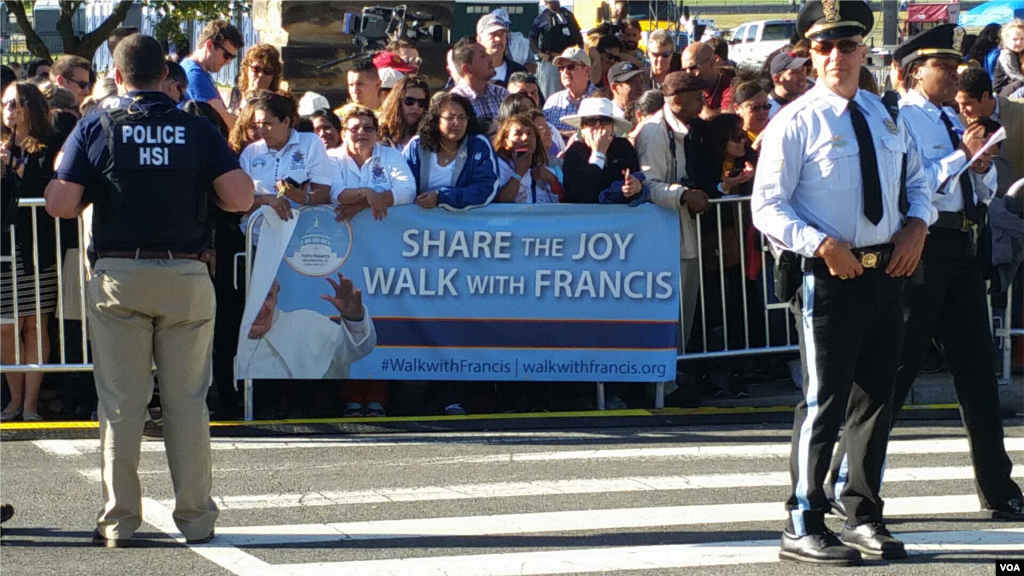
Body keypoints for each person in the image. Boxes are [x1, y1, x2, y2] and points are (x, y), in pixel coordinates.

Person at [44, 33, 254, 547]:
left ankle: (119, 521)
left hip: (120, 277)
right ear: (166, 75)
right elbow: (240, 197)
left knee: (121, 404)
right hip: (184, 276)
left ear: (117, 77)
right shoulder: (195, 127)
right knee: (187, 402)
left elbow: (60, 204)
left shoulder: (98, 124)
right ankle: (197, 520)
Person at [751, 0, 938, 564]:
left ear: (864, 50)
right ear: (810, 54)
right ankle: (802, 518)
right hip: (829, 276)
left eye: (847, 45)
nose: (836, 56)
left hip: (886, 271)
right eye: (824, 46)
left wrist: (918, 226)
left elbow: (919, 180)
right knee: (823, 400)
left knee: (876, 399)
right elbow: (767, 206)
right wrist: (820, 244)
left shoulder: (885, 113)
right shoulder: (795, 120)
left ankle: (861, 511)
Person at [831, 24, 1024, 525]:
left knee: (978, 371)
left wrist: (980, 166)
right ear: (918, 71)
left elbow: (972, 190)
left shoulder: (946, 117)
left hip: (960, 245)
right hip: (924, 249)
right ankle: (842, 477)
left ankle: (998, 488)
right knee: (894, 372)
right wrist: (963, 156)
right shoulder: (903, 118)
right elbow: (912, 183)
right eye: (944, 66)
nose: (954, 75)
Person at [635, 72, 710, 355]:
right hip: (666, 241)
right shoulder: (655, 131)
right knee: (672, 315)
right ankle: (665, 383)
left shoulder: (682, 129)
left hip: (681, 235)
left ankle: (674, 376)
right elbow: (648, 186)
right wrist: (684, 195)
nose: (703, 102)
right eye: (696, 97)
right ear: (676, 100)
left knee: (685, 314)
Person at [0, 82, 61, 423]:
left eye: (16, 104)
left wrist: (21, 168)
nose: (9, 110)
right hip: (4, 249)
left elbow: (48, 186)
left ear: (31, 108)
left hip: (36, 247)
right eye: (5, 103)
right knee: (6, 327)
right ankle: (13, 400)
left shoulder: (48, 145)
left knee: (35, 326)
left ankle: (30, 404)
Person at [237, 277, 377, 380]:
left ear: (277, 293)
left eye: (267, 296)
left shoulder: (306, 323)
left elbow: (355, 350)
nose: (259, 309)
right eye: (250, 299)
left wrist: (354, 318)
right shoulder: (219, 334)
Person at [239, 92, 333, 234]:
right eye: (258, 124)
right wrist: (267, 200)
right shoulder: (250, 152)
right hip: (256, 237)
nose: (262, 131)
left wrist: (303, 198)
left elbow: (324, 192)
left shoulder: (310, 143)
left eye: (267, 124)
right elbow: (239, 204)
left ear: (286, 122)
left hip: (300, 235)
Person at [403, 92, 499, 210]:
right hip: (418, 226)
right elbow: (402, 185)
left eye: (462, 118)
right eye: (450, 118)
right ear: (436, 120)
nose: (457, 123)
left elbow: (486, 189)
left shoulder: (479, 146)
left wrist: (442, 197)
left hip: (466, 226)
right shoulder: (417, 146)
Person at [560, 97, 641, 204]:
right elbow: (582, 195)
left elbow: (636, 187)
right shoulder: (574, 153)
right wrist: (598, 154)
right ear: (582, 129)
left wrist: (637, 187)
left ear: (612, 126)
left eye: (604, 120)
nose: (598, 126)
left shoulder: (623, 148)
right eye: (590, 121)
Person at [957, 67, 1024, 182]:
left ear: (985, 96)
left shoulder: (1020, 111)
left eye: (967, 104)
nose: (961, 109)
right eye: (958, 103)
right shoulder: (958, 122)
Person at [183, 20, 244, 130]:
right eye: (226, 55)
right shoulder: (194, 74)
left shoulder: (199, 72)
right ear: (209, 45)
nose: (228, 61)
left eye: (232, 57)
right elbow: (222, 116)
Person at [492, 113, 560, 204]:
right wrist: (518, 173)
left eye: (529, 133)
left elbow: (566, 206)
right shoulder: (498, 166)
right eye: (518, 134)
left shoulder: (545, 170)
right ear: (505, 143)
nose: (526, 138)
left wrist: (552, 180)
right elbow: (500, 201)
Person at [449, 37, 509, 132]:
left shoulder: (502, 94)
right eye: (482, 56)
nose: (490, 58)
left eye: (487, 53)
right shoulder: (455, 101)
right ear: (467, 69)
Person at [530, 0, 584, 100]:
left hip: (571, 60)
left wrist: (581, 54)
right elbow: (532, 39)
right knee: (552, 93)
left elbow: (579, 35)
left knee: (573, 91)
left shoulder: (568, 15)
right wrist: (540, 54)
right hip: (552, 60)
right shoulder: (542, 18)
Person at [543, 47, 598, 138]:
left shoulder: (600, 100)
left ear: (587, 70)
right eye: (561, 68)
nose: (565, 72)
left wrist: (559, 133)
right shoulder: (552, 101)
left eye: (571, 67)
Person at [681, 42, 733, 117]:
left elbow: (725, 122)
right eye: (684, 70)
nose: (688, 74)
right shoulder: (686, 88)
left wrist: (702, 104)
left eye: (693, 68)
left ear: (712, 63)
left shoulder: (730, 87)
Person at [228, 44, 283, 114]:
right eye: (256, 69)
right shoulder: (229, 97)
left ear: (274, 75)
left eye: (267, 71)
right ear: (246, 69)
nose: (261, 75)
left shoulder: (279, 105)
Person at [378, 75, 429, 149]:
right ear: (397, 102)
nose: (416, 107)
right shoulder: (378, 133)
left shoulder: (428, 138)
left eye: (421, 103)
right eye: (409, 101)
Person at [477, 14, 527, 87]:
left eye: (502, 35)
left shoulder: (520, 72)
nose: (498, 39)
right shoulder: (471, 72)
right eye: (493, 34)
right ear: (479, 39)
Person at [768, 51, 810, 119]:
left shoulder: (807, 104)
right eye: (794, 72)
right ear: (777, 78)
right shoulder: (766, 111)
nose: (802, 76)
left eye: (803, 70)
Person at [993, 19, 1024, 95]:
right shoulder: (1006, 55)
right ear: (1006, 41)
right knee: (1020, 83)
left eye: (1022, 39)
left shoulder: (1020, 53)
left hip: (1017, 86)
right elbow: (1015, 76)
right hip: (1002, 91)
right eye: (1015, 39)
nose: (1019, 42)